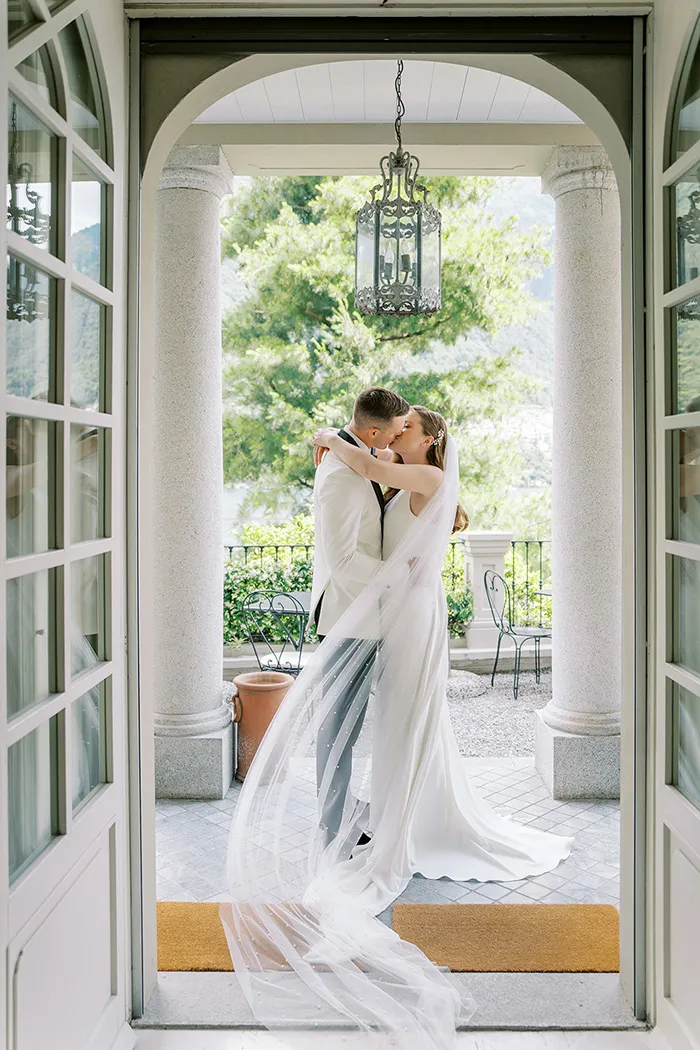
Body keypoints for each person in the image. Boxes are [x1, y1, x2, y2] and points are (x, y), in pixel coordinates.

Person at [222, 403, 570, 1050]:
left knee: (405, 722)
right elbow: (363, 468)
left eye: (407, 425)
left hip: (410, 615)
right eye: (396, 424)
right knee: (398, 725)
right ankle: (397, 815)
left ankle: (397, 828)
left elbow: (358, 457)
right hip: (393, 613)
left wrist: (331, 437)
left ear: (431, 437)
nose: (398, 432)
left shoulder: (430, 480)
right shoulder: (397, 466)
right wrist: (347, 447)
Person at [310, 386, 409, 845]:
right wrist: (400, 576)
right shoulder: (341, 477)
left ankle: (344, 817)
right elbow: (344, 561)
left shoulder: (355, 453)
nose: (396, 440)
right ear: (373, 431)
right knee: (337, 728)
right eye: (392, 434)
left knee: (348, 725)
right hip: (349, 617)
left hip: (366, 614)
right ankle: (334, 831)